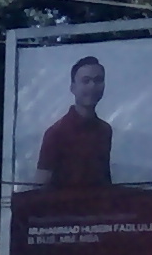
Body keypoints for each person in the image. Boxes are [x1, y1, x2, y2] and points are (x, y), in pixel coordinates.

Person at [33, 55, 113, 188]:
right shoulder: (56, 133)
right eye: (86, 81)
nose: (92, 86)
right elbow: (40, 185)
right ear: (73, 88)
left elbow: (105, 180)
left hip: (98, 207)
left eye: (98, 80)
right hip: (65, 207)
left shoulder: (105, 130)